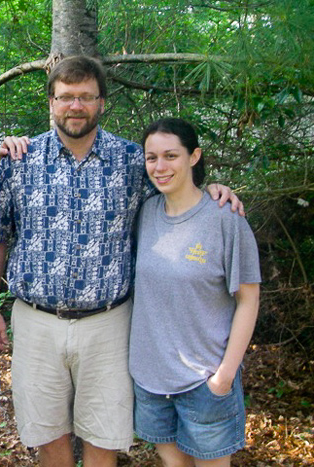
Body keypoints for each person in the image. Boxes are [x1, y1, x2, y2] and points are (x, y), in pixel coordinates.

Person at [0, 55, 242, 467]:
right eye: (66, 97)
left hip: (109, 322)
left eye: (86, 96)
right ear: (51, 102)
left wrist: (213, 189)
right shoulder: (20, 161)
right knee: (49, 435)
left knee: (103, 435)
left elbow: (177, 196)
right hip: (36, 321)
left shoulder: (134, 161)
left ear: (102, 102)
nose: (75, 106)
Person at [129, 118, 260, 467]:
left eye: (171, 155)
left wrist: (225, 375)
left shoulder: (225, 219)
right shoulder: (145, 213)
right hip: (151, 380)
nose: (160, 167)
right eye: (151, 157)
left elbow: (248, 299)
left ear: (194, 156)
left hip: (204, 380)